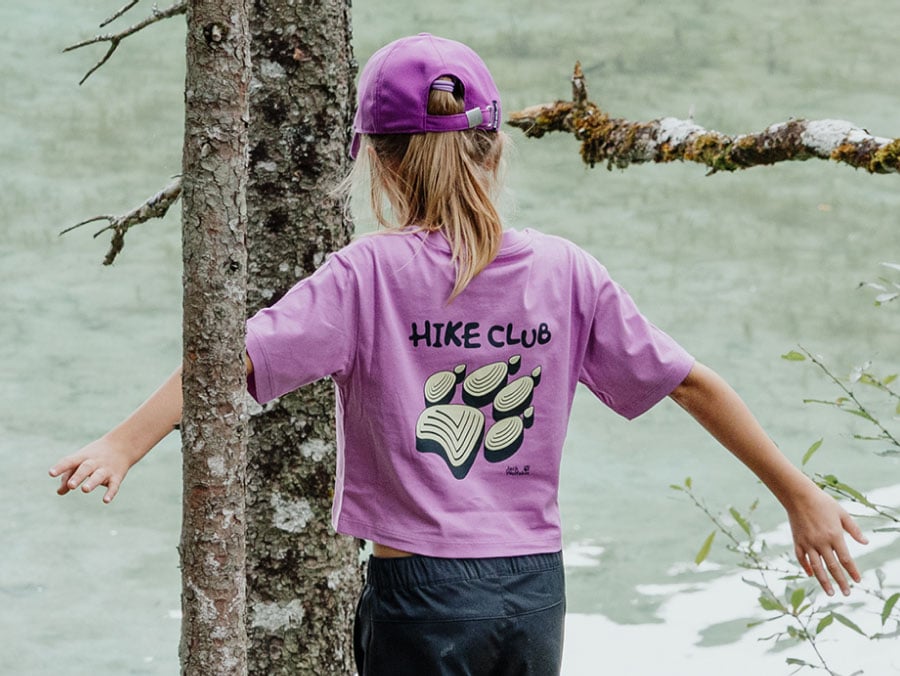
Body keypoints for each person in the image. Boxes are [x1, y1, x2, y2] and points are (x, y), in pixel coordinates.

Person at [49, 33, 867, 676]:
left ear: (379, 159)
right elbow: (690, 385)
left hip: (421, 597)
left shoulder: (366, 275)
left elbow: (233, 363)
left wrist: (124, 443)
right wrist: (800, 497)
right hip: (534, 593)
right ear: (495, 147)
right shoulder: (566, 271)